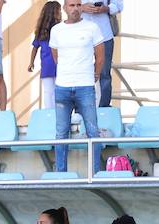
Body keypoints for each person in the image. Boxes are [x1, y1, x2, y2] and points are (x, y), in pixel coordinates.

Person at [50, 0, 104, 175]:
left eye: (78, 5)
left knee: (92, 131)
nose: (75, 8)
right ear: (65, 8)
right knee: (60, 133)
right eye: (71, 5)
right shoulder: (56, 30)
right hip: (62, 87)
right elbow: (56, 56)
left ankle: (94, 174)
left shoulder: (92, 27)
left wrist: (94, 75)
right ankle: (61, 174)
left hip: (85, 86)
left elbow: (100, 55)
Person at [78, 0, 120, 108]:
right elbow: (68, 6)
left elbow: (119, 5)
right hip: (81, 35)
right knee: (80, 72)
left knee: (105, 73)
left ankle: (104, 108)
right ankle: (80, 109)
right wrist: (82, 8)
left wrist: (105, 8)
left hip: (104, 34)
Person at [29, 0, 61, 110]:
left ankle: (49, 112)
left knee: (48, 91)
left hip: (46, 64)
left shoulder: (41, 32)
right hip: (59, 63)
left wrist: (31, 63)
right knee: (59, 91)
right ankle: (58, 112)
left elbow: (34, 48)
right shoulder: (60, 29)